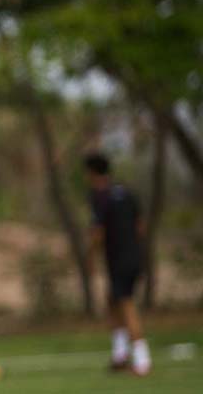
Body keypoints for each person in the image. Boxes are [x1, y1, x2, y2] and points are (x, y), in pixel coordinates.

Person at [84, 152, 151, 376]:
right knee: (112, 300)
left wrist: (91, 257)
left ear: (91, 172)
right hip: (134, 255)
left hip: (119, 259)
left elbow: (97, 232)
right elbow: (141, 226)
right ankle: (120, 355)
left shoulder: (100, 196)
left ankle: (142, 361)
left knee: (126, 304)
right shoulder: (126, 192)